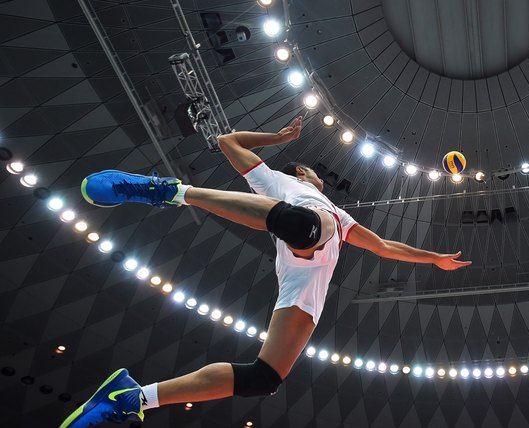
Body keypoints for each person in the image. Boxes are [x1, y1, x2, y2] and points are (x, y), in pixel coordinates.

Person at [61, 117, 471, 427]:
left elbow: (384, 247)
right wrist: (279, 139)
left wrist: (433, 257)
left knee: (263, 378)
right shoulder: (276, 182)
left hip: (304, 291)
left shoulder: (341, 215)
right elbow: (227, 141)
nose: (314, 174)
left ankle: (132, 399)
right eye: (308, 171)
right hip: (302, 240)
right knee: (309, 226)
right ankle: (170, 191)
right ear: (299, 175)